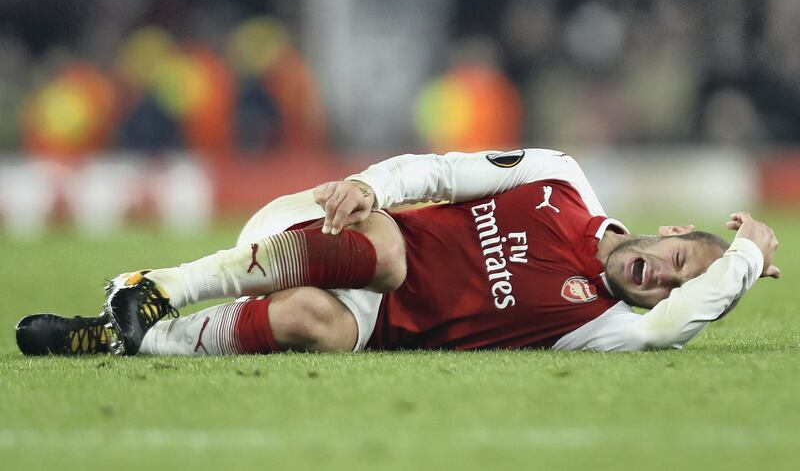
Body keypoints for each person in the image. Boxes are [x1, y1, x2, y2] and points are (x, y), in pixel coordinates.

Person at [16, 148, 780, 356]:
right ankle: (168, 286)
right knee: (389, 255)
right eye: (678, 260)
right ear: (674, 230)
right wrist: (371, 188)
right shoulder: (561, 180)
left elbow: (674, 327)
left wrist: (744, 259)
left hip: (371, 323)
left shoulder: (610, 323)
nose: (660, 279)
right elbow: (443, 172)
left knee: (310, 322)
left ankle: (120, 333)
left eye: (673, 288)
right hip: (329, 230)